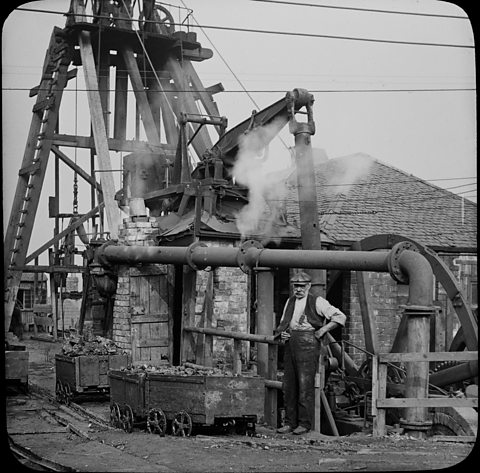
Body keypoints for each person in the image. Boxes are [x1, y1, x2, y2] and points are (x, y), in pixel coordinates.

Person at [275, 271, 346, 435]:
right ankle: (289, 423)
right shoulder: (290, 301)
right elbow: (284, 323)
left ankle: (304, 424)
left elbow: (340, 317)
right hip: (291, 343)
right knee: (289, 385)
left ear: (308, 286)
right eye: (296, 286)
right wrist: (284, 333)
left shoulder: (317, 301)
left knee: (305, 384)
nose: (298, 290)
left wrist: (323, 330)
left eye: (301, 286)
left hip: (308, 344)